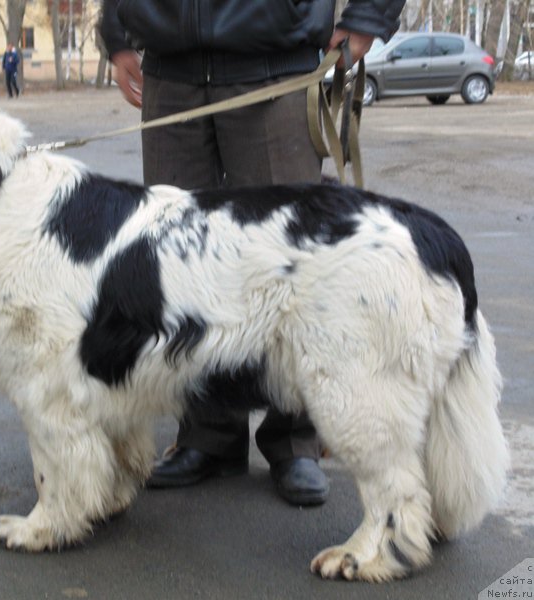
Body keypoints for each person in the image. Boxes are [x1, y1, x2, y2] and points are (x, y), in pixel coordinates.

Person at [99, 0, 405, 506]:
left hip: (273, 60)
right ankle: (207, 434)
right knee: (183, 272)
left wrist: (368, 17)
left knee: (290, 266)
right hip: (170, 69)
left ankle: (294, 441)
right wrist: (117, 29)